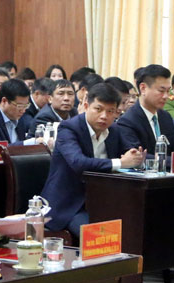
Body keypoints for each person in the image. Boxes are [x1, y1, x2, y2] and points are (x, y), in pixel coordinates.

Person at [40, 83, 145, 237]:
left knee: (136, 229)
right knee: (100, 237)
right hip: (70, 205)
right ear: (86, 105)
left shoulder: (114, 130)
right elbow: (79, 163)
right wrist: (121, 163)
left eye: (110, 111)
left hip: (104, 201)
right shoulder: (68, 129)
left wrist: (138, 157)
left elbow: (131, 152)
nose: (104, 116)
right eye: (98, 109)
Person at [115, 64, 174, 153]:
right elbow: (137, 155)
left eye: (168, 91)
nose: (166, 96)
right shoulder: (128, 120)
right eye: (161, 91)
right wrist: (172, 159)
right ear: (143, 88)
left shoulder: (165, 117)